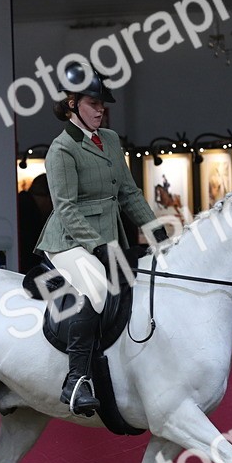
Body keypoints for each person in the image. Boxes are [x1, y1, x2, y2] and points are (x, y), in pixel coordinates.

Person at [34, 63, 167, 417]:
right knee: (95, 290)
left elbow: (129, 193)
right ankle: (76, 381)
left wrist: (158, 233)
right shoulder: (61, 150)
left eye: (102, 105)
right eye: (93, 104)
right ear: (72, 104)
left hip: (109, 236)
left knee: (138, 286)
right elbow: (65, 208)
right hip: (67, 239)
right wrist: (98, 247)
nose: (100, 110)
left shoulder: (110, 141)